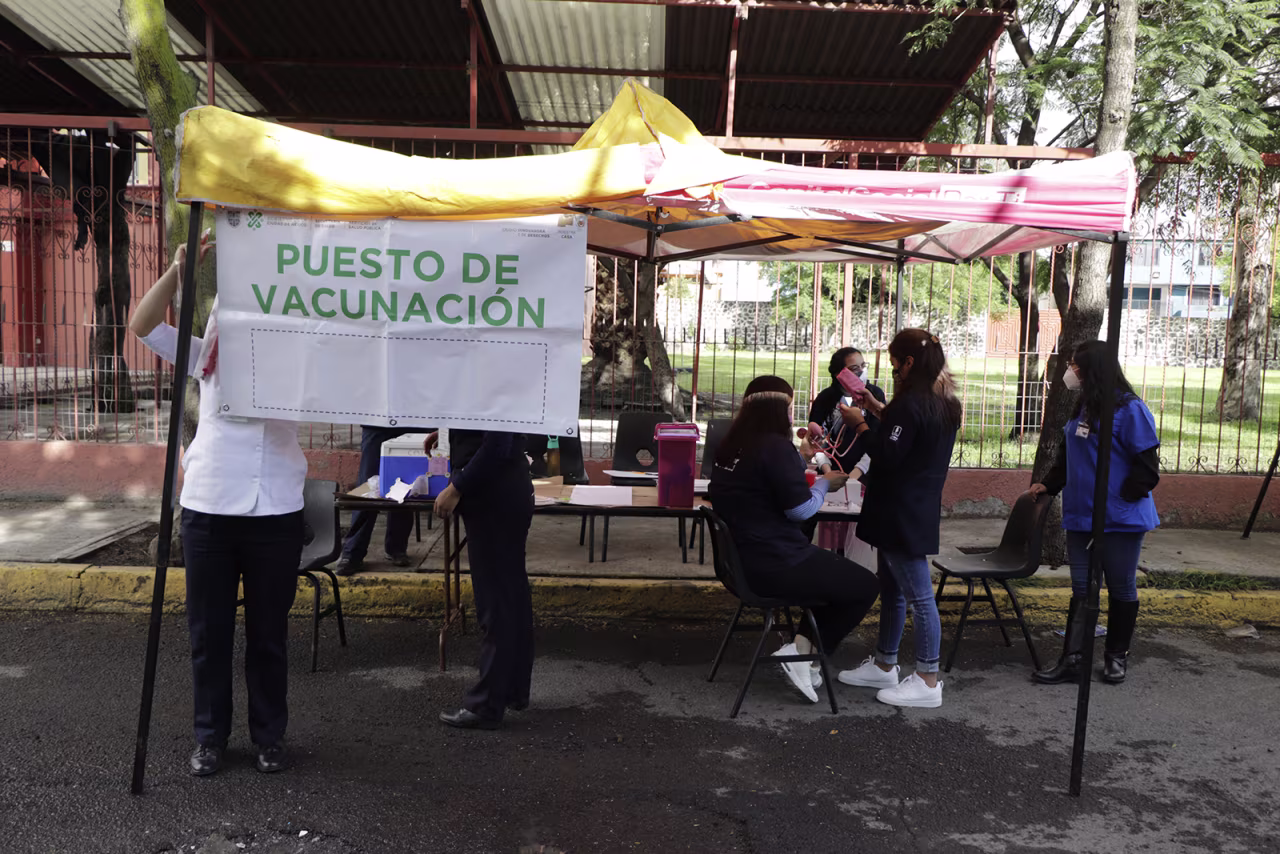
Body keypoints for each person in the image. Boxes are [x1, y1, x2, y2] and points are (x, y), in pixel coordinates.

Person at [129, 233, 306, 776]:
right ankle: (210, 737)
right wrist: (178, 272)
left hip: (274, 506)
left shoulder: (299, 351)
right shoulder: (204, 352)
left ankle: (269, 737)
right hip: (208, 507)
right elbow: (141, 325)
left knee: (268, 636)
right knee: (207, 634)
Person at [708, 375, 881, 704]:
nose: (792, 415)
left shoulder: (729, 445)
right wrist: (824, 484)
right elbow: (801, 511)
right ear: (776, 410)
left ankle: (803, 653)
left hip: (741, 563)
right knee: (865, 585)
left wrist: (800, 464)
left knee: (834, 578)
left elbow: (758, 488)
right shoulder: (774, 447)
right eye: (789, 407)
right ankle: (802, 653)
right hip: (776, 562)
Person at [835, 329, 961, 709]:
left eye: (894, 364)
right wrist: (875, 409)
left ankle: (927, 678)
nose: (892, 372)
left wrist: (859, 423)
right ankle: (885, 662)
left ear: (909, 362)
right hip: (912, 506)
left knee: (920, 597)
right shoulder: (941, 401)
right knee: (891, 588)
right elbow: (906, 435)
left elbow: (888, 454)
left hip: (901, 510)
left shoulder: (912, 403)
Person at [1027, 340, 1160, 685]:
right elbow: (1070, 455)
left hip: (1120, 518)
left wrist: (1119, 499)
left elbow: (1147, 468)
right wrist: (1049, 484)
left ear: (1091, 370)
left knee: (1120, 586)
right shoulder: (1084, 405)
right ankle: (1073, 659)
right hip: (1081, 515)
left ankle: (1116, 657)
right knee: (1082, 589)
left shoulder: (1130, 409)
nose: (1070, 372)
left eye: (1075, 366)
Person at [431, 428, 535, 729]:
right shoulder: (498, 383)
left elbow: (497, 445)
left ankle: (487, 705)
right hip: (505, 494)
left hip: (494, 500)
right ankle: (512, 690)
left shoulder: (491, 381)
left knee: (496, 604)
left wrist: (456, 487)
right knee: (512, 597)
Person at [334, 426, 417, 575]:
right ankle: (352, 552)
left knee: (404, 484)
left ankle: (396, 548)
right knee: (368, 486)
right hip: (378, 422)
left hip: (411, 420)